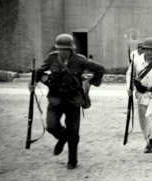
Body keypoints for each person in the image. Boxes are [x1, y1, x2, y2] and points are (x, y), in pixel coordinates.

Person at [29, 34, 105, 169]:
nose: (62, 52)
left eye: (65, 49)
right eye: (59, 49)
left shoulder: (80, 60)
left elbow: (100, 69)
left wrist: (91, 82)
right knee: (51, 126)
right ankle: (62, 138)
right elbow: (39, 71)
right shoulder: (52, 58)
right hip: (55, 99)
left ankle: (72, 160)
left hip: (73, 100)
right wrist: (33, 83)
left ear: (71, 49)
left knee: (73, 132)